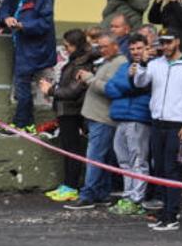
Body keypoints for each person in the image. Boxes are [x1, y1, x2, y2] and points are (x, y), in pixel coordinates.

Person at [65, 33, 127, 210]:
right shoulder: (108, 61)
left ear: (116, 45)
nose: (101, 50)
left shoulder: (119, 63)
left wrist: (89, 78)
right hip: (96, 116)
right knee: (103, 158)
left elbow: (111, 89)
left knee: (94, 158)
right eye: (99, 47)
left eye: (104, 46)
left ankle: (88, 195)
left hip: (103, 118)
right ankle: (101, 193)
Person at [133, 33, 182, 231]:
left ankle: (171, 216)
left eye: (169, 42)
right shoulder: (156, 64)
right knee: (161, 169)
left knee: (173, 169)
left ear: (177, 42)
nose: (165, 46)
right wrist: (143, 64)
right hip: (157, 122)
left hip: (178, 125)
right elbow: (140, 83)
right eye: (162, 43)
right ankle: (167, 209)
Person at [0, 0, 57, 132]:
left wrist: (24, 26)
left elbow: (45, 23)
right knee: (22, 87)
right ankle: (27, 124)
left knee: (22, 87)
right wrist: (6, 18)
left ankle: (20, 123)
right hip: (22, 46)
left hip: (35, 49)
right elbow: (4, 8)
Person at [38, 29, 96, 202]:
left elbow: (73, 91)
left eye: (67, 46)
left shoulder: (81, 64)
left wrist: (51, 90)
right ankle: (68, 184)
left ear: (76, 45)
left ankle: (71, 186)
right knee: (68, 148)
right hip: (66, 110)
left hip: (71, 111)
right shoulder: (76, 61)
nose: (65, 49)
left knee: (72, 150)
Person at [104, 34, 152, 215]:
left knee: (138, 161)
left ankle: (136, 199)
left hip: (139, 119)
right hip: (120, 119)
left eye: (139, 48)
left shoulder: (152, 66)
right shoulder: (124, 66)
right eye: (132, 49)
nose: (136, 52)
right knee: (123, 161)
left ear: (147, 47)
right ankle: (127, 196)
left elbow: (140, 86)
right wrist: (129, 85)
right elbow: (110, 88)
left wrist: (129, 84)